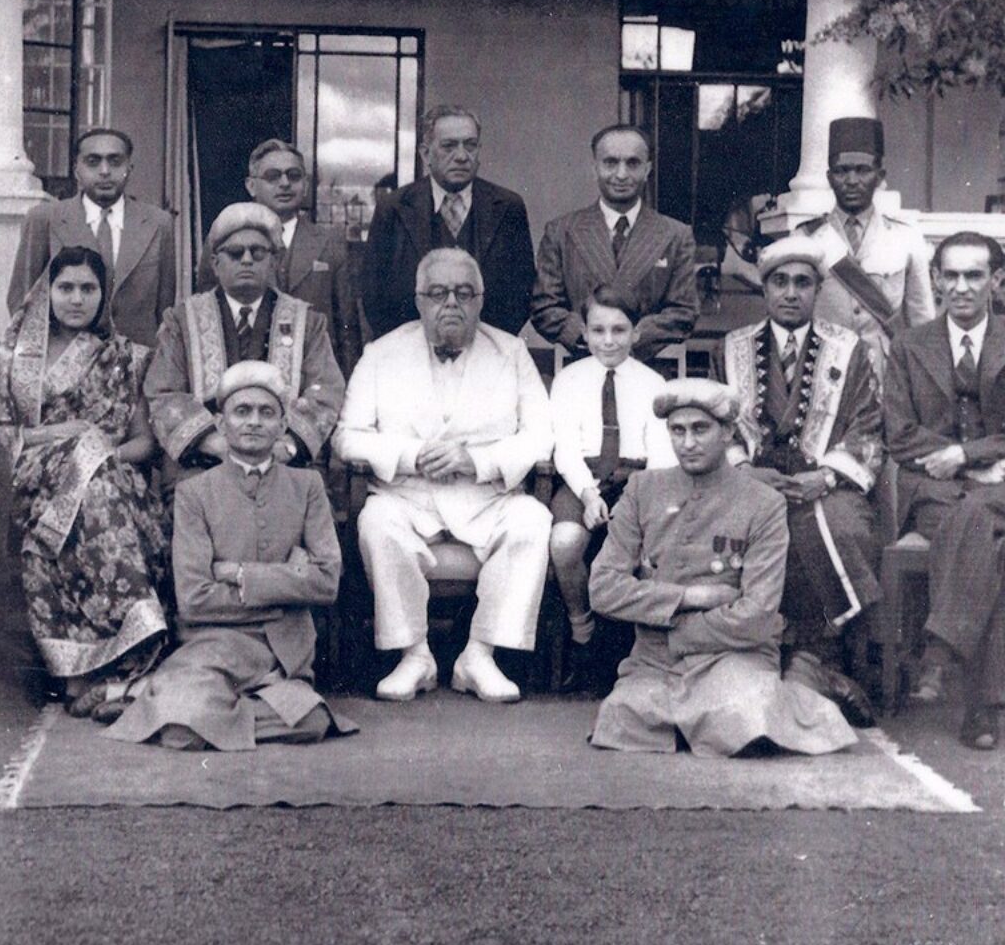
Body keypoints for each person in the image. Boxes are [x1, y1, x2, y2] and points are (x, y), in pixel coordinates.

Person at [588, 378, 858, 757]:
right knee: (622, 720)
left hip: (732, 653)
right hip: (655, 660)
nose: (688, 442)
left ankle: (805, 681)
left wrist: (672, 628)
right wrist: (687, 596)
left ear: (728, 432)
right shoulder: (642, 489)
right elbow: (602, 589)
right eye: (677, 431)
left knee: (745, 723)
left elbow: (757, 614)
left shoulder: (763, 502)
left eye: (701, 429)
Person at [335, 248, 554, 703]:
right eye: (438, 293)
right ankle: (415, 656)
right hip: (408, 498)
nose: (450, 303)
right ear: (419, 300)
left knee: (533, 520)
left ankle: (480, 655)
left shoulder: (511, 352)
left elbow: (541, 436)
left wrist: (477, 461)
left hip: (486, 498)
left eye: (463, 293)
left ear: (480, 300)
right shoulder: (381, 353)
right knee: (376, 523)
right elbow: (346, 437)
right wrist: (412, 455)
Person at [106, 361, 356, 750]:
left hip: (283, 651)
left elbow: (326, 582)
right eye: (242, 412)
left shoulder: (307, 486)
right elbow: (193, 600)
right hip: (212, 646)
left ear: (282, 425)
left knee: (311, 720)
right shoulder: (194, 493)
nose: (253, 422)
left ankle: (160, 699)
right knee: (181, 736)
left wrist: (238, 574)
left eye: (266, 412)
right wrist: (287, 588)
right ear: (221, 425)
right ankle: (182, 704)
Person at [0, 246, 170, 720]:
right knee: (90, 493)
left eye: (88, 289)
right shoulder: (18, 355)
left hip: (108, 483)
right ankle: (126, 665)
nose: (77, 299)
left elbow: (144, 443)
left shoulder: (124, 357)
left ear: (104, 297)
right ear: (47, 292)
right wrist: (60, 437)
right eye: (66, 288)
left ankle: (89, 675)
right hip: (28, 482)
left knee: (84, 503)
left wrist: (95, 456)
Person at [714, 236, 883, 727]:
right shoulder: (732, 349)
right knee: (740, 530)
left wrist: (826, 476)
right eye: (780, 282)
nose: (791, 292)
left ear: (817, 290)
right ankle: (763, 660)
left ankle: (818, 658)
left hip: (825, 481)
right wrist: (744, 472)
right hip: (751, 481)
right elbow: (717, 425)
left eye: (802, 283)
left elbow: (868, 427)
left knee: (838, 529)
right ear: (765, 289)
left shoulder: (848, 350)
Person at [884, 231, 1005, 750]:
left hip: (1001, 483)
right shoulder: (910, 346)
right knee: (987, 538)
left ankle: (937, 653)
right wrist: (959, 463)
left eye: (974, 275)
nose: (961, 287)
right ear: (934, 279)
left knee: (979, 520)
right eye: (950, 275)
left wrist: (971, 455)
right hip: (935, 491)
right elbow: (898, 432)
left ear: (997, 281)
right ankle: (981, 705)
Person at [144, 202, 345, 494]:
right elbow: (164, 394)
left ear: (274, 262)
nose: (247, 260)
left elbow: (326, 393)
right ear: (215, 263)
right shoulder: (181, 322)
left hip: (283, 465)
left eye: (258, 252)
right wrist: (220, 447)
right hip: (204, 464)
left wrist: (284, 449)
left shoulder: (308, 324)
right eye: (235, 253)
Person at [548, 285, 677, 691]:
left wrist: (635, 504)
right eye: (598, 330)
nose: (608, 340)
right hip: (582, 479)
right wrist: (587, 495)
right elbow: (565, 448)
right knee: (566, 542)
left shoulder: (654, 382)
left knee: (651, 551)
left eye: (619, 330)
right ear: (583, 332)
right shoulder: (568, 380)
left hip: (638, 481)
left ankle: (640, 648)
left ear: (636, 333)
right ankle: (581, 628)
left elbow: (660, 456)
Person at [362, 105, 535, 338]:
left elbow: (522, 293)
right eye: (449, 146)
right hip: (412, 356)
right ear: (425, 154)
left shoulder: (508, 207)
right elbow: (374, 295)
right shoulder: (393, 208)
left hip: (486, 356)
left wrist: (486, 346)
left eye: (470, 145)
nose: (462, 156)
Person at [531, 124, 698, 364]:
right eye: (610, 163)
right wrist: (594, 337)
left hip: (649, 369)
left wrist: (631, 338)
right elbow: (544, 307)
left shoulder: (676, 235)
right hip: (580, 365)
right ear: (594, 168)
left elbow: (684, 312)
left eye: (633, 163)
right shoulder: (561, 231)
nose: (621, 174)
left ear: (647, 169)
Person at [7, 127, 177, 348]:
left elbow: (164, 309)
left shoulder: (158, 223)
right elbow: (22, 301)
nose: (105, 171)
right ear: (77, 170)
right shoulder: (44, 219)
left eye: (115, 162)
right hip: (64, 364)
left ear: (129, 168)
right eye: (93, 162)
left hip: (136, 365)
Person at [796, 117, 935, 378]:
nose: (851, 180)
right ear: (829, 177)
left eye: (862, 170)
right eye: (841, 171)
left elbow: (922, 324)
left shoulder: (906, 237)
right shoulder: (806, 237)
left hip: (885, 374)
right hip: (822, 372)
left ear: (880, 176)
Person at [242, 138, 363, 377]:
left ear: (306, 185)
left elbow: (347, 327)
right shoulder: (229, 241)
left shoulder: (331, 242)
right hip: (250, 379)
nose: (285, 183)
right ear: (251, 186)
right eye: (273, 176)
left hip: (314, 379)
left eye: (294, 175)